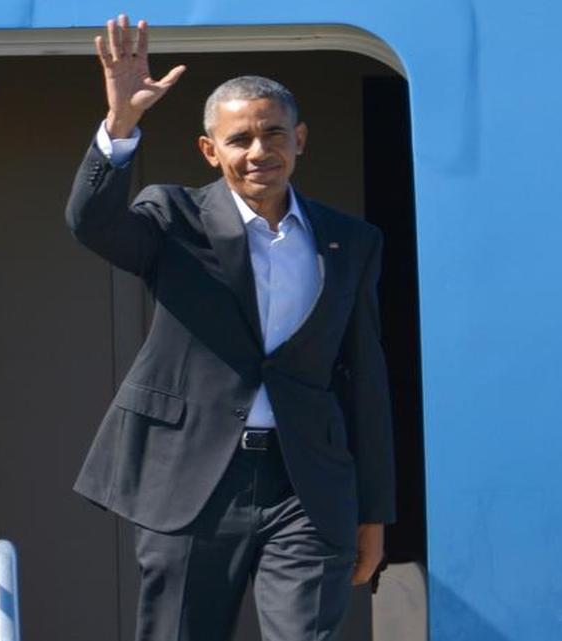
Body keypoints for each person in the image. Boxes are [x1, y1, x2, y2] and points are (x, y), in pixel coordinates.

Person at [66, 14, 396, 641]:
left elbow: (365, 378)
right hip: (191, 479)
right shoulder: (173, 217)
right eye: (240, 138)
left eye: (274, 133)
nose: (259, 151)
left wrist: (374, 512)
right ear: (210, 150)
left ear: (300, 139)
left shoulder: (350, 241)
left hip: (305, 485)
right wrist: (121, 124)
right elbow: (92, 223)